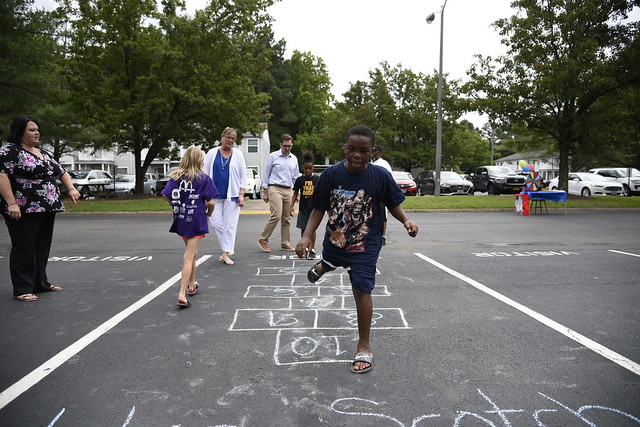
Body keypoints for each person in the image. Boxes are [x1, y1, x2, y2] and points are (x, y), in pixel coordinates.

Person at [295, 125, 418, 374]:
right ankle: (323, 265)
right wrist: (307, 235)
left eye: (364, 151)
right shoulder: (330, 175)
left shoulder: (379, 176)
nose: (357, 155)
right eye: (352, 149)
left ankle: (364, 345)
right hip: (336, 241)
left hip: (366, 245)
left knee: (361, 288)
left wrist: (405, 220)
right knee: (331, 259)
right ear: (345, 148)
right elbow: (318, 208)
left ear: (372, 152)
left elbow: (393, 203)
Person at [0, 115, 81, 302]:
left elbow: (61, 172)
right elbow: (2, 176)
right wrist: (11, 203)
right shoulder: (9, 151)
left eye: (38, 130)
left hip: (46, 206)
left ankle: (40, 283)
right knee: (24, 246)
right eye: (32, 130)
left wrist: (71, 188)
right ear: (20, 131)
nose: (37, 133)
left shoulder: (41, 152)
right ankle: (22, 288)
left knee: (41, 246)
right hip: (23, 207)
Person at [161, 146, 218, 308]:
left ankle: (193, 283)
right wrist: (209, 212)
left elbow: (165, 194)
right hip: (196, 219)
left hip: (181, 218)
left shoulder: (176, 177)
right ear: (199, 160)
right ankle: (181, 293)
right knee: (189, 255)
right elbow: (212, 201)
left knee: (193, 253)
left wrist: (174, 204)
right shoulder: (203, 178)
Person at [204, 127, 247, 265]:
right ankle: (228, 246)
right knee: (215, 222)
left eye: (233, 138)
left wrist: (241, 194)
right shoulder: (212, 153)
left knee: (230, 225)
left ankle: (225, 253)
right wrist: (204, 194)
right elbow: (204, 174)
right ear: (222, 137)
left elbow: (243, 175)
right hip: (214, 194)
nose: (230, 140)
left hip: (232, 195)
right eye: (228, 137)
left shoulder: (238, 155)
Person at [258, 134, 300, 253]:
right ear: (280, 144)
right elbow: (266, 173)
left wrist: (297, 194)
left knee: (287, 218)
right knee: (277, 214)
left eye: (289, 146)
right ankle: (263, 239)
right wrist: (265, 191)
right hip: (275, 188)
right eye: (285, 145)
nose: (287, 148)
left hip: (289, 189)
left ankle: (285, 243)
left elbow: (296, 178)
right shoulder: (273, 156)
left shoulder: (294, 158)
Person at [290, 151, 319, 259]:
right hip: (303, 208)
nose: (307, 171)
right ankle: (305, 247)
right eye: (305, 168)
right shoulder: (299, 179)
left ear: (313, 168)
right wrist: (291, 206)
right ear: (303, 167)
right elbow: (295, 193)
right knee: (303, 228)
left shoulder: (316, 179)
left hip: (314, 208)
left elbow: (320, 193)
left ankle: (312, 248)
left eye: (309, 168)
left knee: (312, 229)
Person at [371, 144, 392, 244]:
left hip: (381, 193)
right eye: (372, 151)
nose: (373, 153)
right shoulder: (370, 163)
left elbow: (389, 179)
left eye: (375, 151)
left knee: (383, 215)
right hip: (371, 193)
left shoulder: (384, 164)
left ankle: (382, 236)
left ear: (379, 152)